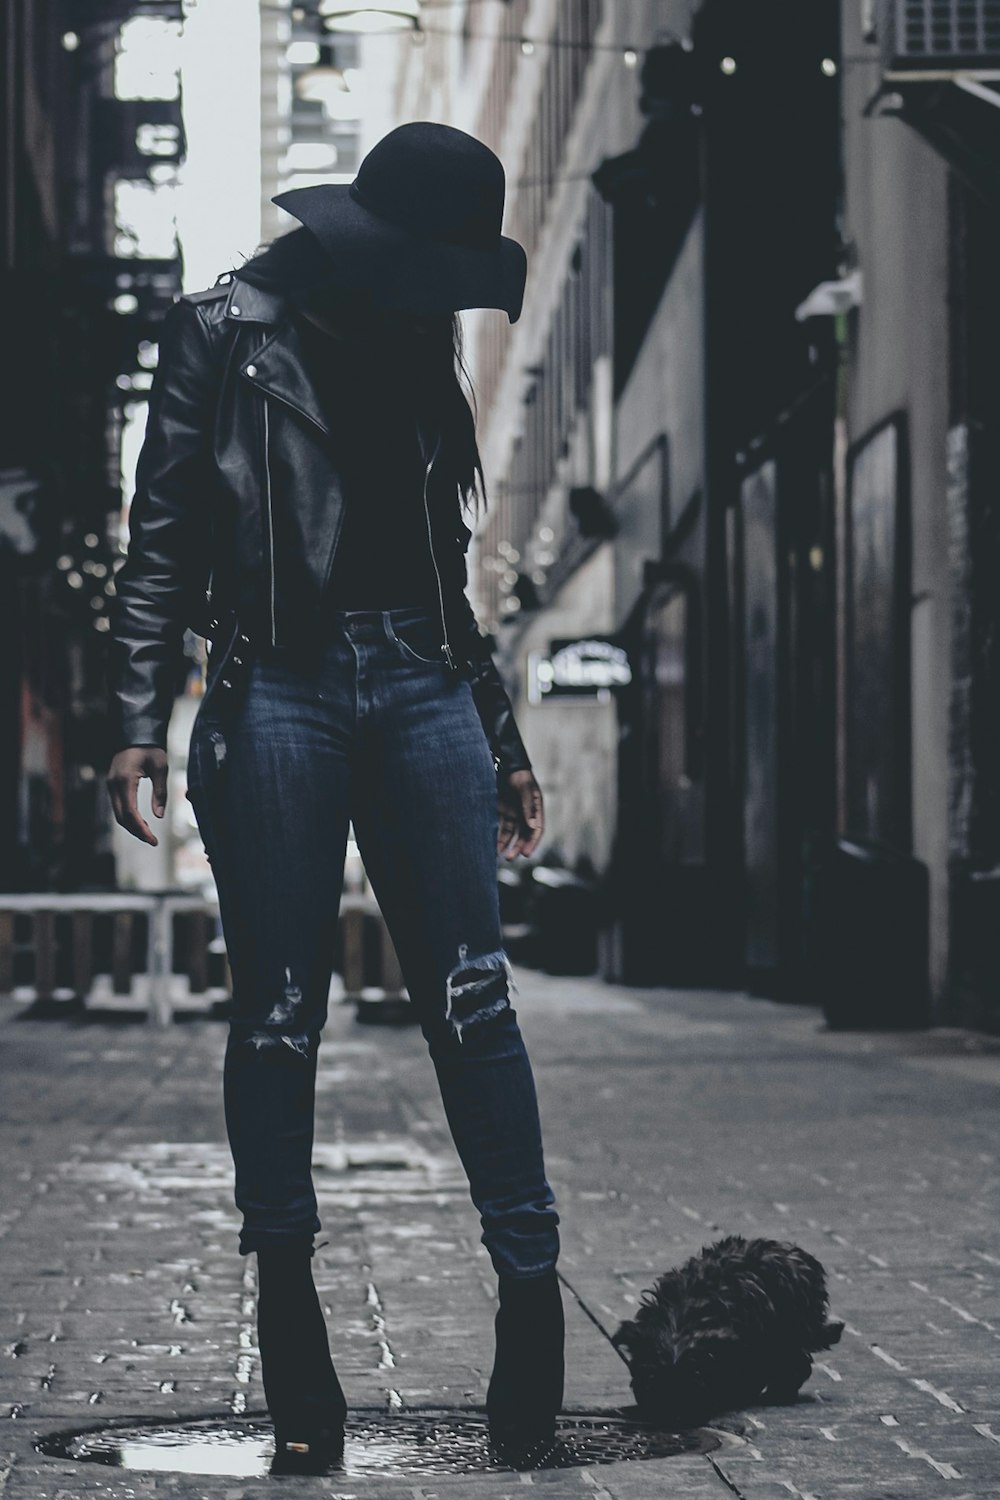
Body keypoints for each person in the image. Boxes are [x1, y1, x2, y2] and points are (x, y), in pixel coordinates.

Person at [105, 121, 564, 1473]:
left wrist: (501, 731)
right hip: (277, 689)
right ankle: (290, 1318)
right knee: (281, 1013)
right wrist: (137, 719)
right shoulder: (222, 333)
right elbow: (163, 535)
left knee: (474, 998)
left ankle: (532, 1301)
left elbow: (440, 563)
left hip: (421, 686)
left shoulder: (421, 341)